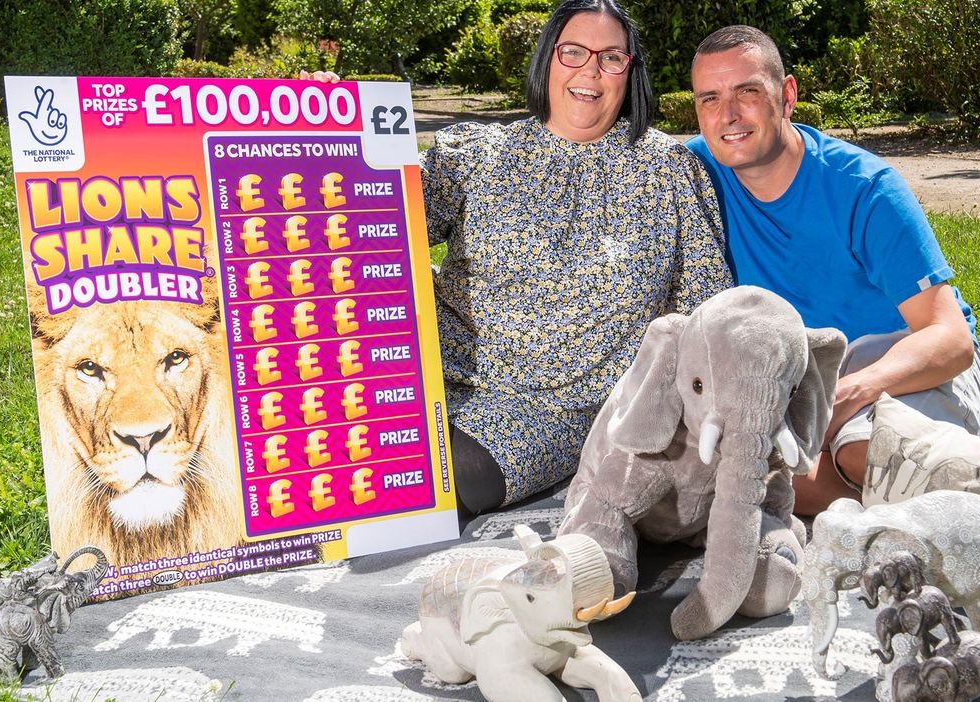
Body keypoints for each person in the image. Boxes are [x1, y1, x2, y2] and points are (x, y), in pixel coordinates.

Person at [685, 24, 980, 633]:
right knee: (773, 476)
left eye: (747, 92)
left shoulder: (861, 187)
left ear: (788, 95)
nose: (728, 114)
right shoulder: (698, 171)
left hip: (905, 367)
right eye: (709, 98)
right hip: (809, 385)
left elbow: (949, 339)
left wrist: (847, 395)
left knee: (863, 449)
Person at [308, 0, 730, 516]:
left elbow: (707, 313)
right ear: (547, 60)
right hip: (427, 373)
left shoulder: (670, 171)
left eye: (611, 57)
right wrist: (326, 139)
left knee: (424, 481)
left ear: (631, 71)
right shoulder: (476, 152)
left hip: (555, 412)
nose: (590, 71)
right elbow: (371, 227)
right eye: (573, 52)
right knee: (311, 450)